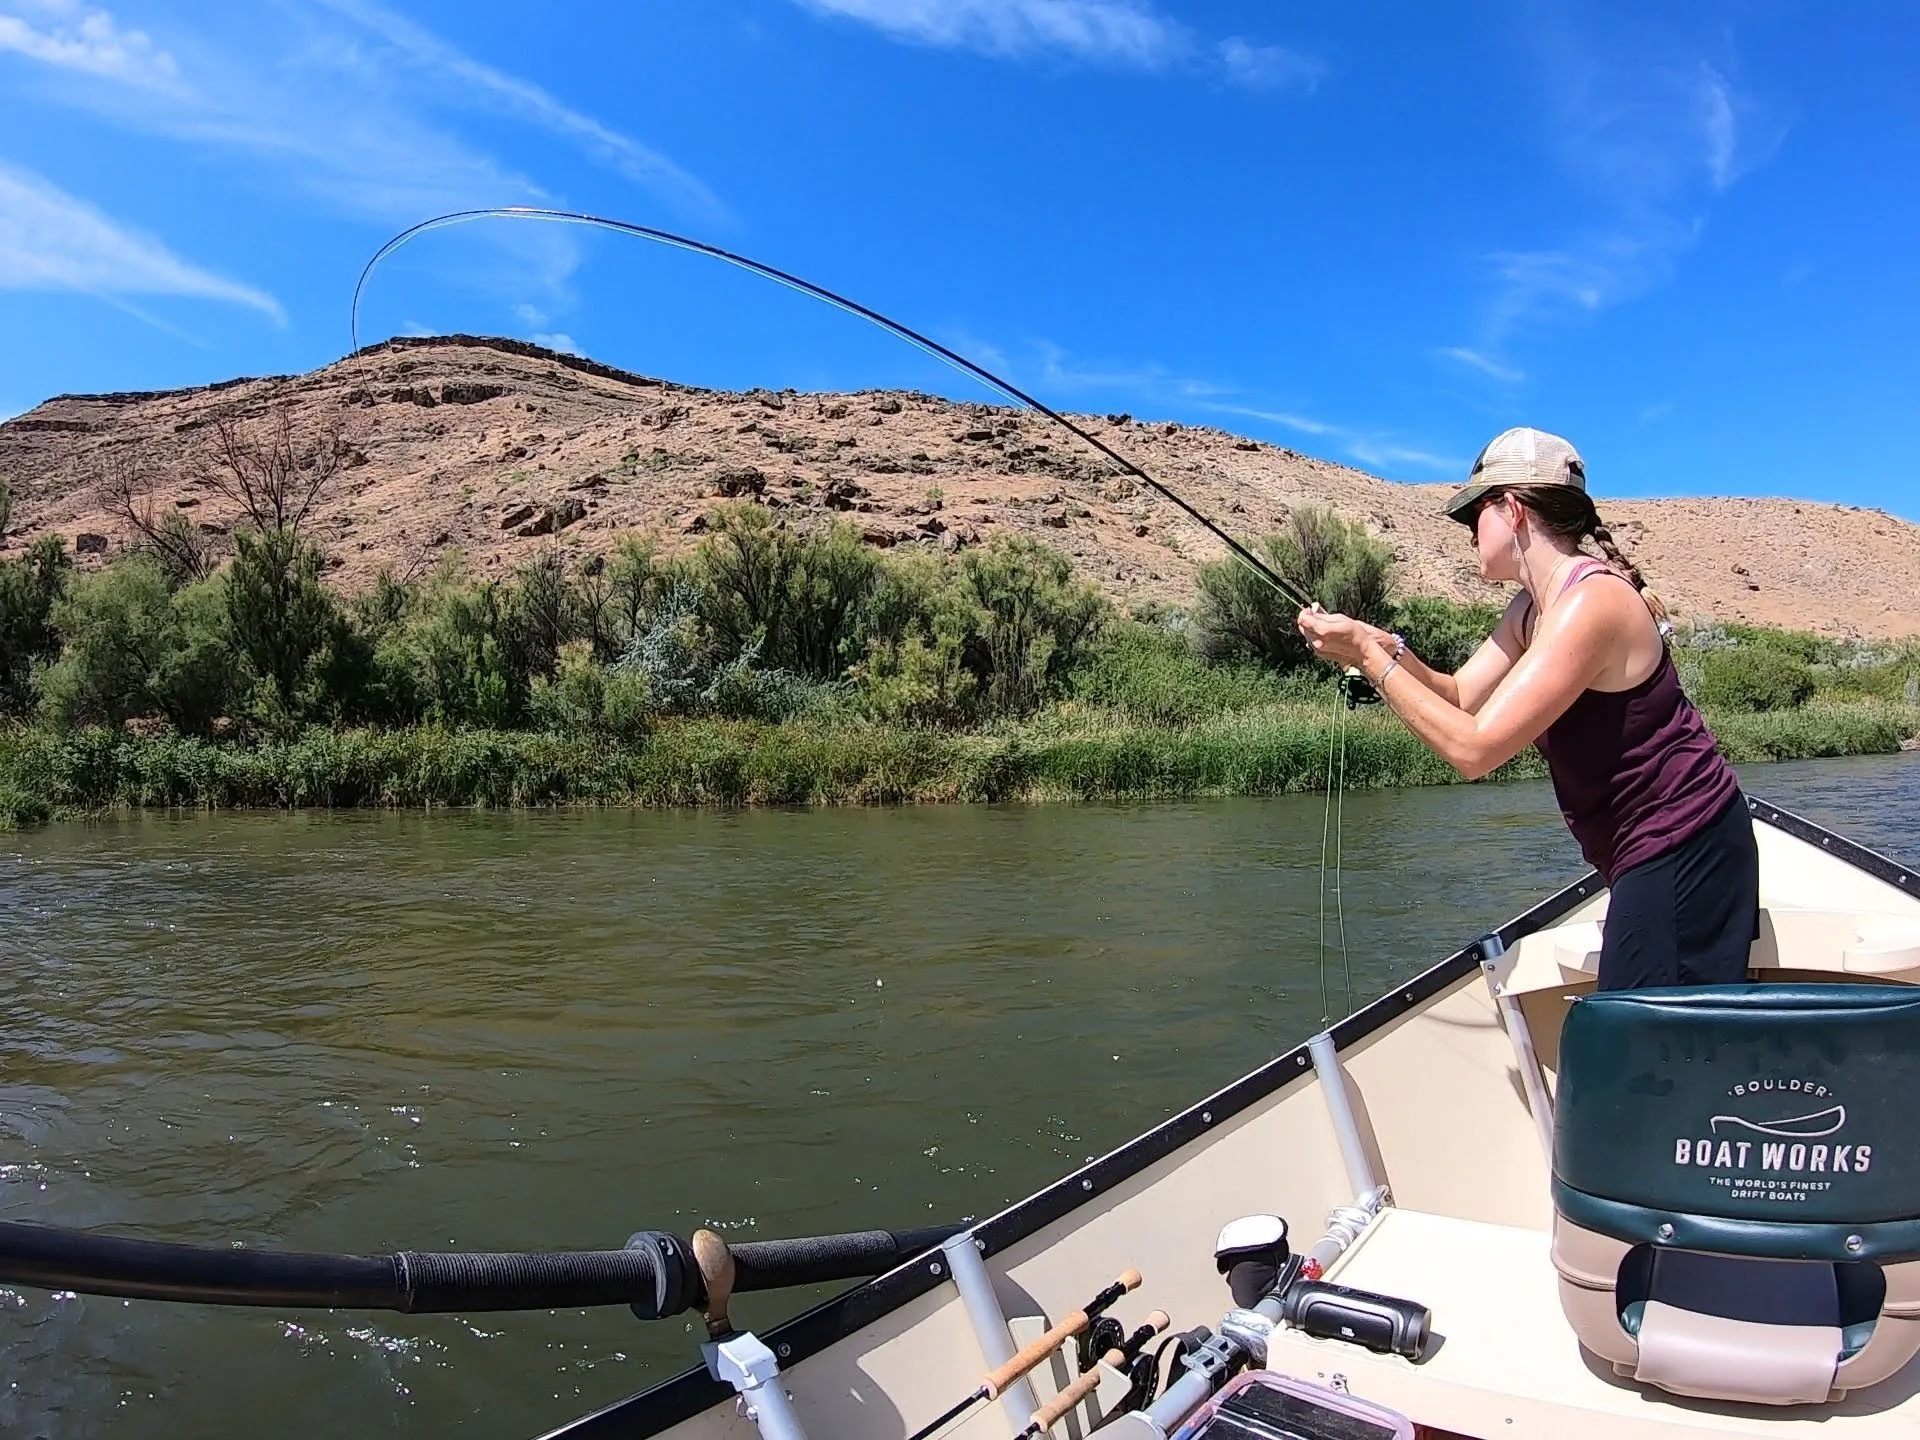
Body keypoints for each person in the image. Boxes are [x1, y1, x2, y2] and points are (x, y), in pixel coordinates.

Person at [1294, 426, 1757, 991]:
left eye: (1474, 516)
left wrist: (1367, 657)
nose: (1469, 534)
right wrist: (1384, 644)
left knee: (1652, 1056)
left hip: (1687, 846)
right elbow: (1459, 695)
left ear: (1511, 509)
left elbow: (1474, 749)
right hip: (1646, 852)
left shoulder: (1592, 602)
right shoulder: (1531, 607)